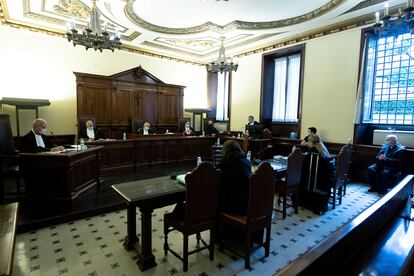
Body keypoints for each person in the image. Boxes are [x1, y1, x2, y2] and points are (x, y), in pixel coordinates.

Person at [217, 140, 252, 215]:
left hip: (235, 207)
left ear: (225, 151)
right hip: (248, 204)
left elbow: (219, 185)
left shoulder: (225, 164)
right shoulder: (246, 161)